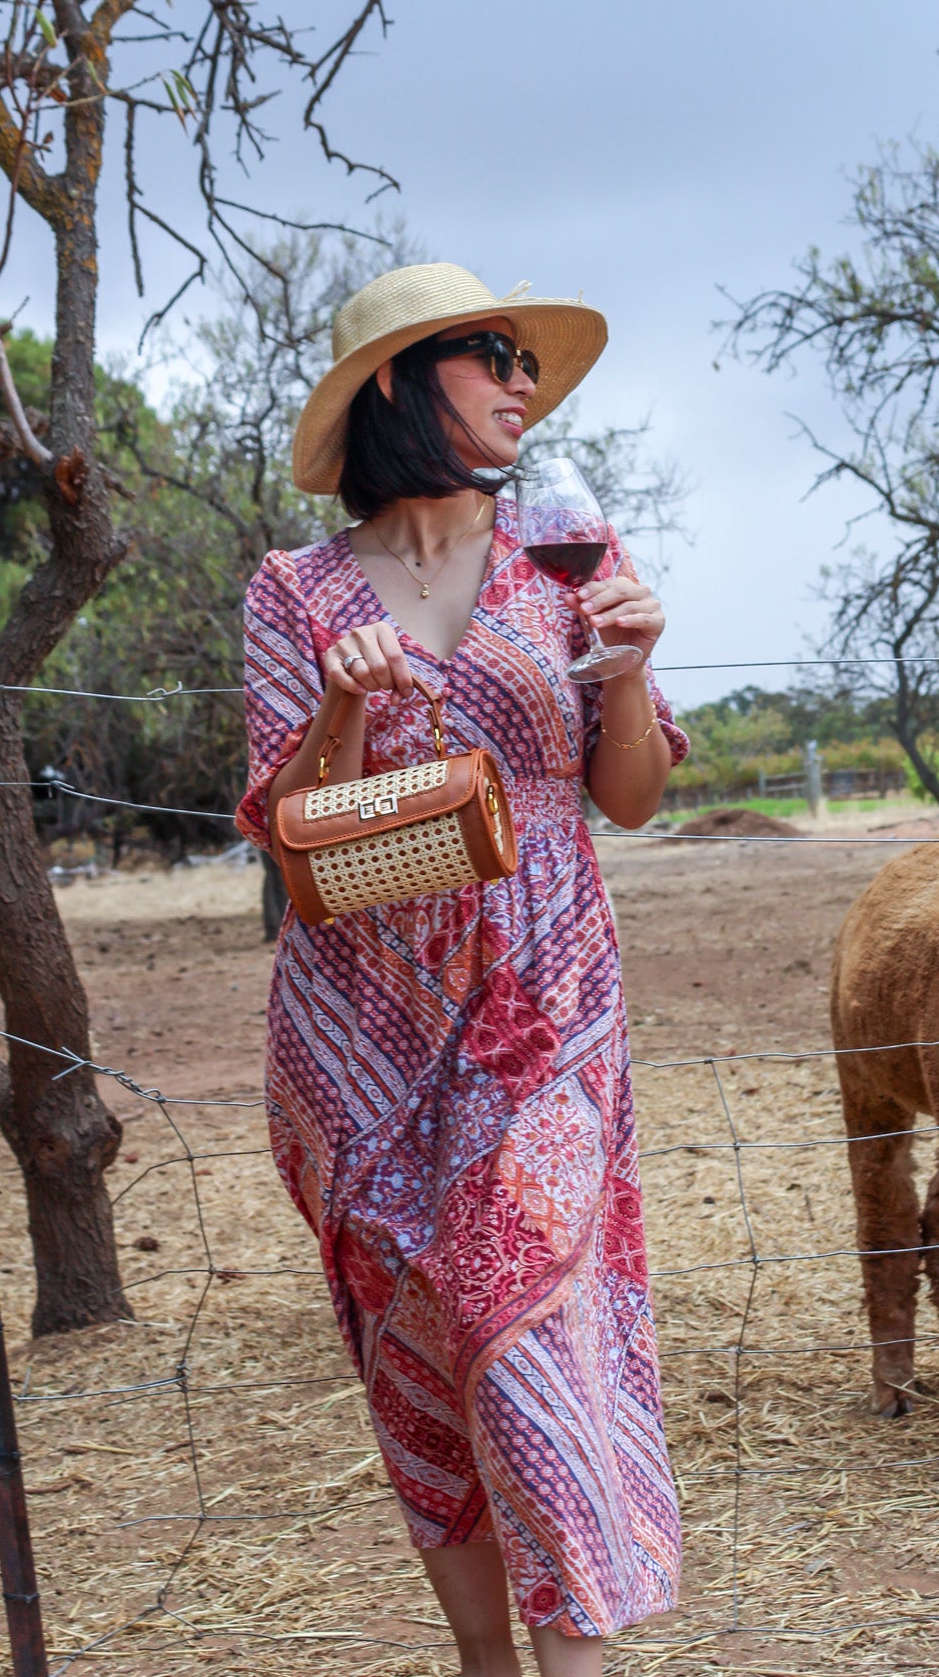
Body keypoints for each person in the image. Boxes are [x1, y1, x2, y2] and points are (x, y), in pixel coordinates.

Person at [235, 263, 686, 1675]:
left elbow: (629, 800)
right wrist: (338, 705)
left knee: (524, 1327)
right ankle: (490, 1664)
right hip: (357, 1029)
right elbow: (282, 825)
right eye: (491, 354)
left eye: (525, 362)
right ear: (393, 380)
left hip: (544, 1004)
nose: (521, 382)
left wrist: (627, 671)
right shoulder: (295, 590)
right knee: (422, 1358)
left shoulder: (565, 553)